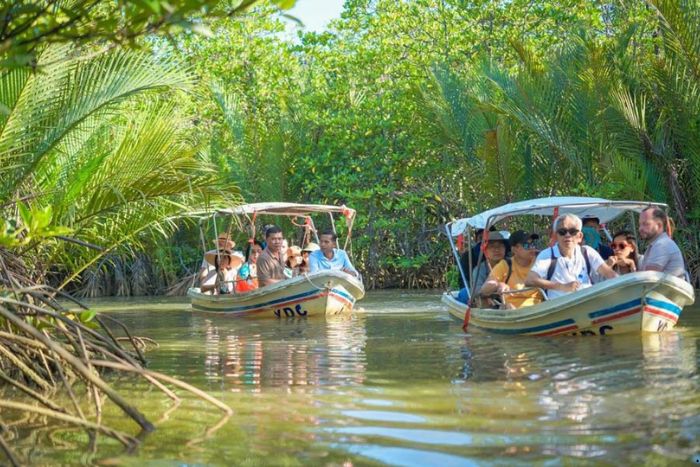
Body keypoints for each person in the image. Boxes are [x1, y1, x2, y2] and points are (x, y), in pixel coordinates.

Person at [526, 214, 617, 299]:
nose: (567, 235)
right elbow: (530, 280)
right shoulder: (547, 255)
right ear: (556, 236)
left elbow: (610, 274)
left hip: (588, 301)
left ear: (580, 236)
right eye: (562, 232)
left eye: (573, 231)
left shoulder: (587, 252)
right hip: (561, 307)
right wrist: (562, 287)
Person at [478, 230, 543, 309]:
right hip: (513, 311)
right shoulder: (506, 265)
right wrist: (498, 285)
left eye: (533, 244)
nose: (532, 249)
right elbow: (484, 289)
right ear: (514, 249)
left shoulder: (541, 262)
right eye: (527, 245)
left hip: (539, 310)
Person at [638, 207, 686, 278]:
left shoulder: (662, 245)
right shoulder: (657, 244)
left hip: (667, 289)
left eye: (645, 224)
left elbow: (648, 279)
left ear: (659, 225)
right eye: (640, 224)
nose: (640, 228)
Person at [471, 231, 508, 296]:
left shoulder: (512, 264)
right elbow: (477, 292)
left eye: (500, 246)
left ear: (505, 248)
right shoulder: (479, 270)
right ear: (485, 250)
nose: (496, 250)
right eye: (492, 246)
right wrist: (497, 286)